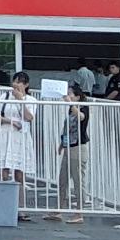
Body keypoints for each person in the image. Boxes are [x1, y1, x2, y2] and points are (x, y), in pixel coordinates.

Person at [0, 72, 36, 222]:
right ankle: (3, 206)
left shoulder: (30, 100)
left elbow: (29, 117)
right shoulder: (5, 97)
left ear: (26, 85)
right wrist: (9, 121)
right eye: (15, 81)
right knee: (3, 171)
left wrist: (20, 99)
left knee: (19, 174)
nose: (16, 85)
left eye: (19, 82)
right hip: (5, 135)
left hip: (20, 138)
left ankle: (20, 208)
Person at [43, 84, 89, 224]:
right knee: (62, 179)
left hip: (78, 148)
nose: (68, 96)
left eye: (70, 94)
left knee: (78, 180)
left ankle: (79, 212)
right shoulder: (70, 109)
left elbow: (81, 117)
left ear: (77, 97)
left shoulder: (83, 107)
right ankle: (58, 209)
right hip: (69, 146)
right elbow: (67, 128)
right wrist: (62, 143)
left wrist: (71, 104)